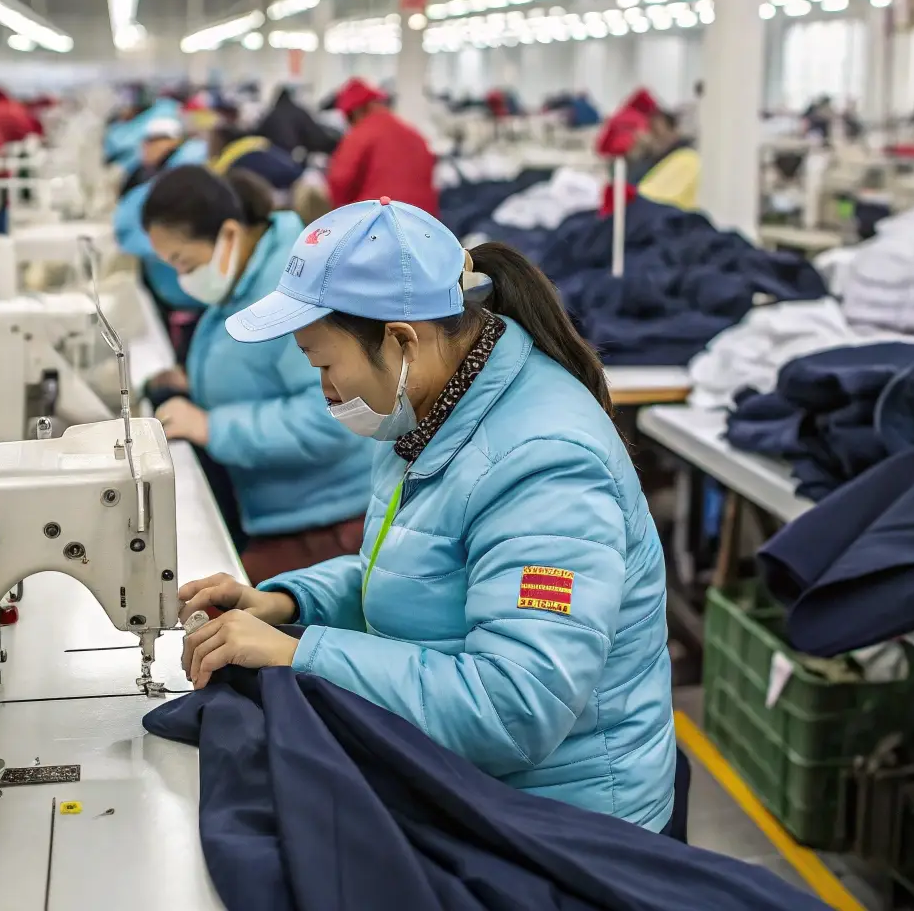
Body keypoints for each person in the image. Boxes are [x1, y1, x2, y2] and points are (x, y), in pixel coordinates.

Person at [178, 198, 677, 831]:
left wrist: (298, 654)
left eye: (325, 364)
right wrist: (290, 605)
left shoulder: (544, 463)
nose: (324, 389)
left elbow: (514, 708)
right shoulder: (427, 415)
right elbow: (414, 575)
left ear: (401, 339)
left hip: (566, 832)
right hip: (474, 792)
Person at [141, 167, 373, 582]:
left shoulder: (288, 296)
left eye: (184, 262)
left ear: (229, 234)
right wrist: (198, 381)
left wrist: (212, 425)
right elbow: (255, 365)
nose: (183, 279)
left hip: (325, 526)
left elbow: (334, 418)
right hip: (278, 510)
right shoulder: (246, 276)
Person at [114, 117, 212, 318]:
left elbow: (131, 227)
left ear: (172, 142)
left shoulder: (183, 175)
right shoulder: (161, 173)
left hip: (190, 293)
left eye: (151, 141)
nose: (145, 148)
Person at [326, 78, 439, 214]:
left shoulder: (361, 133)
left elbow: (340, 181)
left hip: (380, 218)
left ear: (357, 111)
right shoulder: (413, 134)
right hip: (423, 220)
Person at [207, 122, 305, 197]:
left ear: (221, 140)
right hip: (300, 179)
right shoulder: (254, 144)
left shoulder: (231, 162)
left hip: (289, 191)